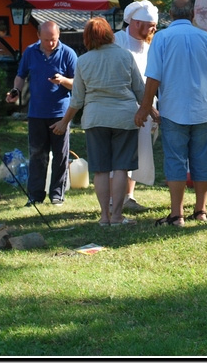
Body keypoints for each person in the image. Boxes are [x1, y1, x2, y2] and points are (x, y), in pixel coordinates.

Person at [135, 0, 207, 228]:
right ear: (193, 14)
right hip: (204, 109)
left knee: (175, 160)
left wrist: (145, 108)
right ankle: (201, 211)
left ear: (171, 14)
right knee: (202, 158)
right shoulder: (206, 38)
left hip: (173, 109)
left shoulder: (162, 37)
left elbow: (153, 77)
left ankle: (177, 215)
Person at [52, 18, 145, 226]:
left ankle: (104, 216)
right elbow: (140, 89)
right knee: (121, 168)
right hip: (124, 117)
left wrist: (64, 122)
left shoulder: (83, 61)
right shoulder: (125, 56)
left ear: (87, 37)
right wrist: (151, 110)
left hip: (95, 118)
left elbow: (77, 99)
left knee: (101, 169)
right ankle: (118, 216)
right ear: (109, 33)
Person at [5, 21, 77, 205]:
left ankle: (57, 195)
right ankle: (35, 196)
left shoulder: (68, 53)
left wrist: (62, 80)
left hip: (60, 112)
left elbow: (78, 83)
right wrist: (16, 90)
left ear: (58, 35)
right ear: (38, 36)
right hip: (36, 112)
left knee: (60, 156)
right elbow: (21, 75)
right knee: (37, 155)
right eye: (46, 40)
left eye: (53, 39)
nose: (50, 43)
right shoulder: (30, 51)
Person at [113, 0, 160, 212]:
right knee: (120, 152)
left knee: (139, 151)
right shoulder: (117, 41)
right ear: (136, 23)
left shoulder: (150, 47)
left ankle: (129, 196)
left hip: (145, 106)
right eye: (150, 26)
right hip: (120, 106)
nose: (154, 29)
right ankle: (116, 197)